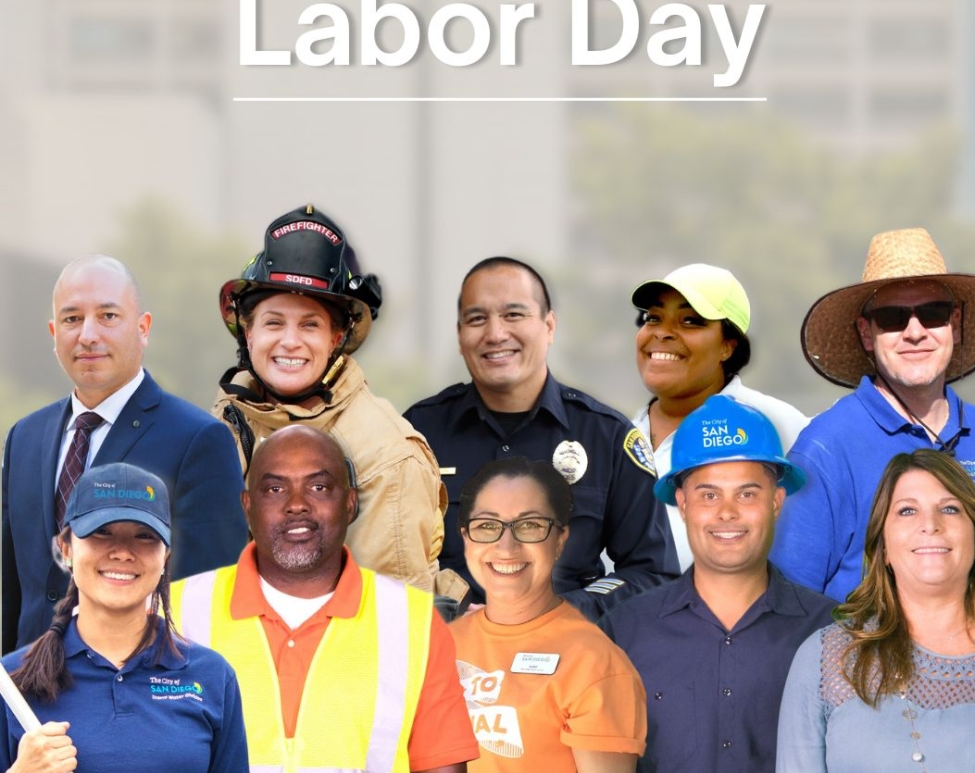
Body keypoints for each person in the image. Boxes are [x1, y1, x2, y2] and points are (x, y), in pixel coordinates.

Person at [171, 425, 478, 773]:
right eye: (274, 489)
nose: (297, 505)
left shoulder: (413, 624)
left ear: (350, 503)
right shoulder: (176, 615)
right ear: (247, 506)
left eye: (318, 486)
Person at [600, 396, 834, 773]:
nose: (727, 512)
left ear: (777, 501)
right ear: (683, 503)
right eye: (709, 494)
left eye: (747, 493)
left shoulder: (830, 634)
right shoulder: (623, 633)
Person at [213, 204, 465, 602]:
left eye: (310, 324)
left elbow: (390, 627)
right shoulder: (221, 426)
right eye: (274, 322)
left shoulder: (388, 460)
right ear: (247, 333)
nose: (290, 341)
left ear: (336, 339)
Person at [405, 256, 678, 620]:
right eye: (477, 319)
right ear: (460, 336)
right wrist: (446, 611)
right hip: (447, 656)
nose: (495, 333)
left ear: (549, 326)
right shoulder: (416, 434)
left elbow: (653, 572)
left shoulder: (606, 437)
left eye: (514, 315)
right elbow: (388, 562)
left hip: (569, 660)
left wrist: (570, 608)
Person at [2, 254, 248, 654]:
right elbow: (16, 594)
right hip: (29, 698)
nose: (87, 334)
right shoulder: (24, 438)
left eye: (108, 316)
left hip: (139, 697)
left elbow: (210, 603)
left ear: (143, 327)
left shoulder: (199, 440)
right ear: (53, 332)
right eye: (71, 319)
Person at [0, 463, 250, 773]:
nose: (122, 552)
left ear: (166, 555)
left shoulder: (211, 676)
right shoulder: (11, 682)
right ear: (65, 548)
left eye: (144, 536)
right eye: (101, 533)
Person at [775, 449, 975, 773]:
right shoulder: (826, 659)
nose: (930, 525)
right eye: (907, 511)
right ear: (882, 547)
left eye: (949, 509)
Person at [771, 227, 975, 602]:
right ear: (866, 333)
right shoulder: (824, 449)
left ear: (955, 324)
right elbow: (786, 607)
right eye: (892, 317)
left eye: (932, 313)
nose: (914, 331)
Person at [450, 456, 646, 773]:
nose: (507, 546)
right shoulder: (438, 646)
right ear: (465, 537)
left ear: (560, 539)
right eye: (487, 526)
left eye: (530, 526)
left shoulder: (593, 663)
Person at [631, 262, 808, 570]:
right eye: (653, 318)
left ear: (727, 345)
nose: (662, 334)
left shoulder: (781, 425)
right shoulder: (618, 433)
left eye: (689, 321)